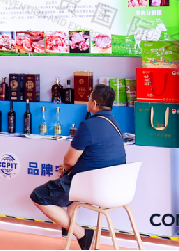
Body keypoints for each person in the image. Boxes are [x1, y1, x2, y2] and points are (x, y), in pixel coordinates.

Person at [31, 85, 125, 251]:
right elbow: (96, 157)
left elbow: (69, 160)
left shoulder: (89, 125)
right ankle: (69, 228)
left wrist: (67, 168)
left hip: (91, 186)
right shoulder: (114, 124)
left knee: (38, 195)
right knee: (71, 191)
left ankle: (81, 233)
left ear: (94, 103)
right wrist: (70, 167)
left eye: (89, 98)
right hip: (114, 186)